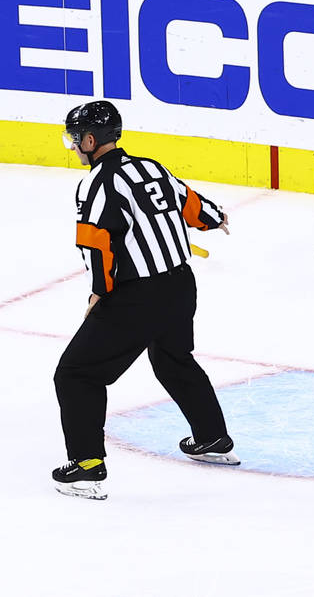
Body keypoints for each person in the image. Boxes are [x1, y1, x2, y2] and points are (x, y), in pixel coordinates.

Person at [52, 100, 237, 501]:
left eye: (73, 139)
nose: (72, 147)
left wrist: (99, 292)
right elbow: (191, 205)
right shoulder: (150, 166)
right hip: (181, 285)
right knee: (173, 359)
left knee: (77, 374)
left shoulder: (96, 183)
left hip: (139, 295)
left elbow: (96, 244)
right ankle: (212, 438)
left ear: (89, 139)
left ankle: (85, 466)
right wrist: (215, 217)